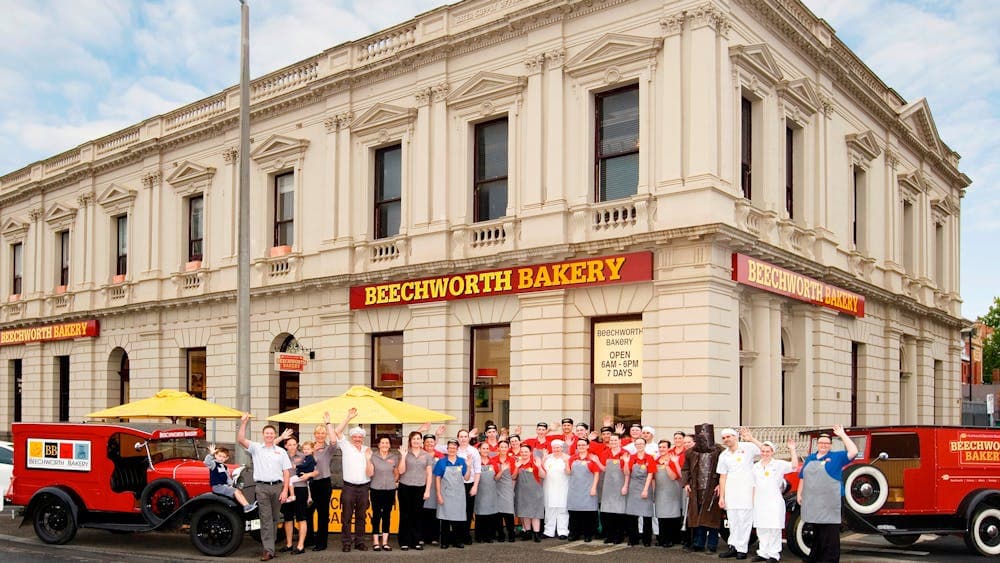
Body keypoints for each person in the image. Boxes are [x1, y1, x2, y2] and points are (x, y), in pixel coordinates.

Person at [797, 425, 859, 563]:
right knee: (817, 532)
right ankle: (815, 558)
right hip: (814, 501)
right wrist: (800, 494)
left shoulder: (837, 457)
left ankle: (830, 559)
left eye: (826, 443)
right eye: (821, 442)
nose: (823, 445)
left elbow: (854, 451)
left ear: (830, 445)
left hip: (831, 501)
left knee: (830, 533)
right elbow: (803, 477)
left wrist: (842, 435)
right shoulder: (810, 458)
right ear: (817, 444)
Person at [237, 413, 292, 561]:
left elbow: (286, 472)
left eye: (271, 433)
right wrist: (244, 423)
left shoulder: (281, 451)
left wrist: (285, 490)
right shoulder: (256, 448)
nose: (269, 435)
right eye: (267, 433)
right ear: (263, 435)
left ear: (275, 435)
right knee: (266, 519)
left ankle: (271, 548)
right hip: (261, 488)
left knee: (274, 519)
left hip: (278, 488)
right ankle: (268, 550)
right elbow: (241, 439)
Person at [325, 408, 374, 553]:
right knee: (346, 517)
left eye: (360, 437)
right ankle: (346, 542)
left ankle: (359, 542)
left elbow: (370, 472)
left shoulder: (367, 449)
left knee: (361, 516)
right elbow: (337, 432)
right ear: (352, 437)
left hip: (364, 487)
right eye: (355, 436)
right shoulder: (346, 446)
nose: (357, 439)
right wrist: (348, 418)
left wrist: (368, 458)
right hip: (349, 487)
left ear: (363, 438)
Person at [717, 427, 762, 560]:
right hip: (731, 492)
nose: (726, 439)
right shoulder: (723, 455)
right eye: (724, 438)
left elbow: (766, 450)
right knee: (733, 521)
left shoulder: (747, 447)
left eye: (729, 436)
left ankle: (742, 549)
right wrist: (722, 496)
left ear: (735, 437)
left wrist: (752, 439)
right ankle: (733, 547)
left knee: (744, 521)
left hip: (746, 491)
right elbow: (722, 477)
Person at [753, 440, 799, 563]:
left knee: (774, 528)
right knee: (762, 528)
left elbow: (794, 465)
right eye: (763, 451)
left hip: (774, 501)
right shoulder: (756, 466)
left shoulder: (778, 464)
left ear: (772, 452)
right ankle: (763, 553)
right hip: (759, 501)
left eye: (767, 451)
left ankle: (774, 554)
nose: (765, 453)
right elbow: (753, 485)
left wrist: (792, 449)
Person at [681, 423, 723, 553]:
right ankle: (698, 543)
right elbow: (685, 469)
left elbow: (724, 470)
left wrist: (720, 484)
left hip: (713, 488)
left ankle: (712, 545)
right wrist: (686, 483)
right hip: (696, 488)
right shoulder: (691, 452)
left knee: (712, 518)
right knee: (698, 517)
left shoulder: (719, 451)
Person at [397, 430, 433, 551]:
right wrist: (403, 457)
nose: (416, 441)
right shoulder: (405, 453)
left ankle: (416, 541)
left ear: (421, 441)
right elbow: (401, 471)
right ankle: (404, 541)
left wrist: (427, 490)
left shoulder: (427, 455)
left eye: (418, 439)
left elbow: (429, 474)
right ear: (410, 441)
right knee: (405, 514)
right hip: (405, 487)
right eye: (414, 439)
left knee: (417, 514)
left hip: (420, 487)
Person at [279, 437, 314, 554]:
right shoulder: (281, 456)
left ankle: (300, 546)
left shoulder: (303, 456)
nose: (292, 447)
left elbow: (313, 468)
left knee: (301, 517)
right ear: (285, 446)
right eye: (289, 444)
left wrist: (308, 475)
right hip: (286, 489)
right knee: (288, 517)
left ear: (297, 445)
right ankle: (289, 544)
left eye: (294, 444)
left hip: (301, 488)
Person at [435, 439, 471, 548]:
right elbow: (437, 479)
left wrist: (469, 466)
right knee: (445, 518)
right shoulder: (441, 462)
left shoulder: (462, 461)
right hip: (445, 493)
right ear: (447, 449)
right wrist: (439, 494)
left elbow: (466, 478)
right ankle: (444, 542)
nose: (452, 450)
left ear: (457, 449)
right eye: (450, 448)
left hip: (459, 494)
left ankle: (457, 541)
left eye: (454, 448)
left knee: (458, 518)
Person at [566, 438, 602, 542]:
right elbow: (568, 473)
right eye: (579, 445)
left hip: (588, 489)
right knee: (574, 513)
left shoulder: (592, 458)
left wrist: (594, 488)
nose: (581, 447)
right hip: (574, 490)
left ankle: (588, 534)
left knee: (588, 513)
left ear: (587, 446)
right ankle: (574, 533)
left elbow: (596, 474)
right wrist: (566, 463)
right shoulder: (572, 458)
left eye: (583, 445)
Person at [307, 423, 335, 551]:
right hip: (309, 483)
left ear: (326, 435)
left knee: (323, 514)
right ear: (314, 434)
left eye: (323, 433)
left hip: (323, 483)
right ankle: (309, 539)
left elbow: (334, 441)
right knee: (308, 512)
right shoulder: (308, 447)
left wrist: (328, 424)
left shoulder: (328, 449)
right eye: (318, 433)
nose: (320, 435)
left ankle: (321, 542)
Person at [203, 444, 257, 512]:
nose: (221, 458)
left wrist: (232, 485)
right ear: (215, 455)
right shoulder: (213, 464)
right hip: (218, 486)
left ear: (227, 458)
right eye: (219, 456)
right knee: (236, 491)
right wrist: (211, 454)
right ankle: (246, 507)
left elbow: (228, 478)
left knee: (238, 491)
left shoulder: (225, 467)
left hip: (224, 486)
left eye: (224, 457)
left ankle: (244, 506)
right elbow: (206, 462)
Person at [370, 436, 400, 551]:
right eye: (382, 443)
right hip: (376, 489)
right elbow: (370, 472)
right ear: (378, 445)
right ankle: (376, 542)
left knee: (387, 515)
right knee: (376, 515)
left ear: (390, 445)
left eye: (387, 443)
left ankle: (385, 542)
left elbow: (396, 473)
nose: (385, 445)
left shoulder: (394, 457)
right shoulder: (373, 456)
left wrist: (393, 481)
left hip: (390, 490)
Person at [625, 437, 656, 546]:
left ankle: (647, 540)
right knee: (632, 515)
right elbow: (627, 473)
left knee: (646, 515)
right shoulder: (631, 457)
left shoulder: (649, 458)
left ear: (645, 445)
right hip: (633, 487)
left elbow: (650, 474)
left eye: (641, 443)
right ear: (635, 445)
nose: (639, 445)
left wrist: (645, 489)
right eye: (637, 444)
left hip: (645, 486)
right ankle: (633, 539)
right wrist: (626, 463)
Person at [599, 433, 629, 545]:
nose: (613, 442)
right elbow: (604, 468)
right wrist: (596, 461)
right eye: (611, 440)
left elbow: (627, 472)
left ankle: (619, 536)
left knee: (619, 512)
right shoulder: (605, 453)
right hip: (608, 486)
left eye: (615, 440)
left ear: (620, 441)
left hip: (620, 485)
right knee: (608, 512)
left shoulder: (625, 453)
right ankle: (609, 535)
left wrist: (625, 486)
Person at [654, 439, 684, 548]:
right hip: (660, 491)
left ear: (668, 448)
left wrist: (667, 466)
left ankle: (671, 539)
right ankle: (662, 538)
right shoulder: (656, 460)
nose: (661, 449)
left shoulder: (673, 460)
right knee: (661, 515)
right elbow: (653, 477)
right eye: (660, 447)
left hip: (672, 491)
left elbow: (673, 477)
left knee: (672, 515)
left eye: (664, 447)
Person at [514, 444, 547, 541]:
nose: (524, 453)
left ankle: (536, 534)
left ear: (530, 452)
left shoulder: (535, 462)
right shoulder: (518, 463)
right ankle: (527, 533)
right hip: (522, 493)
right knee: (525, 513)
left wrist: (539, 466)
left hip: (535, 493)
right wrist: (516, 467)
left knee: (535, 514)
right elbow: (514, 477)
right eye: (522, 452)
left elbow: (544, 476)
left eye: (526, 452)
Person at [542, 439, 570, 539]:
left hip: (563, 487)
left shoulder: (567, 458)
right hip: (549, 487)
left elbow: (569, 472)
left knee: (562, 509)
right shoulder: (548, 458)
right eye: (554, 447)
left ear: (562, 448)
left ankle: (563, 531)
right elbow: (541, 471)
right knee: (549, 509)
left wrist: (566, 462)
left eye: (558, 447)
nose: (556, 449)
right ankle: (549, 531)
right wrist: (543, 458)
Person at [492, 439, 517, 542]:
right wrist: (502, 470)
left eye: (505, 447)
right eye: (501, 447)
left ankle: (511, 534)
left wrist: (517, 468)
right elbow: (495, 478)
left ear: (508, 448)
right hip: (497, 488)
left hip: (508, 488)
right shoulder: (493, 460)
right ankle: (501, 535)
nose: (503, 449)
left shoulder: (512, 460)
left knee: (509, 512)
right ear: (498, 448)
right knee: (498, 512)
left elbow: (514, 477)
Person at [474, 441, 499, 542]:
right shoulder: (476, 462)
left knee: (491, 513)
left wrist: (502, 471)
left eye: (487, 448)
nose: (485, 450)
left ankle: (489, 536)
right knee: (480, 513)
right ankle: (479, 536)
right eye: (483, 448)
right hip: (479, 491)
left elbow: (496, 477)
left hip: (491, 491)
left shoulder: (493, 462)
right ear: (479, 450)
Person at [421, 434, 442, 547]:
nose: (429, 444)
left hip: (436, 487)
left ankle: (434, 537)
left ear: (435, 443)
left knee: (435, 513)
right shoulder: (420, 454)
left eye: (431, 442)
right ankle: (422, 537)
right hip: (422, 486)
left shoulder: (440, 456)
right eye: (427, 442)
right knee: (423, 512)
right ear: (423, 443)